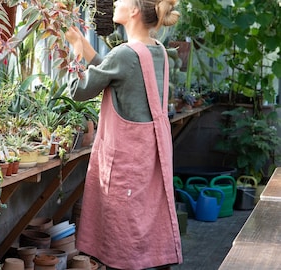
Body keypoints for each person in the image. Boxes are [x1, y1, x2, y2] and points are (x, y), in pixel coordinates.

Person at [65, 0, 182, 268]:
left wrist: (75, 52)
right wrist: (87, 47)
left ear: (134, 11)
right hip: (149, 163)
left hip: (125, 166)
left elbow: (78, 90)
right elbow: (116, 74)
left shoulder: (125, 54)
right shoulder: (158, 51)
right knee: (145, 228)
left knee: (121, 243)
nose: (115, 1)